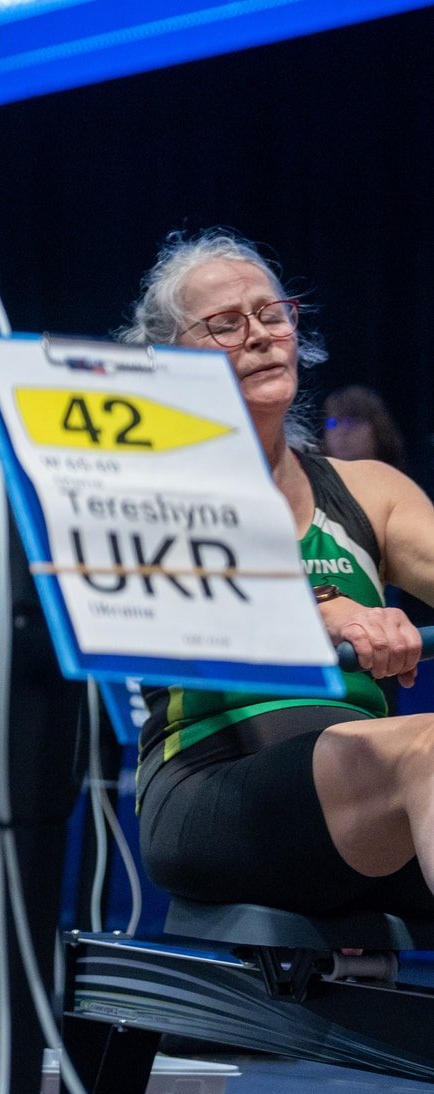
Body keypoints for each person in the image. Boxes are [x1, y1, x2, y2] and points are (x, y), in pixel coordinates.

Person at [124, 230, 434, 918]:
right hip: (211, 786)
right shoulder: (147, 489)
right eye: (226, 325)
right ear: (169, 359)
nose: (261, 335)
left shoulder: (370, 490)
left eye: (271, 314)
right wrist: (334, 616)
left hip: (365, 790)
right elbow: (220, 592)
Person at [323, 384, 410, 469]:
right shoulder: (318, 479)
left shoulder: (396, 480)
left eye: (350, 421)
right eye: (332, 423)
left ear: (377, 426)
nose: (341, 431)